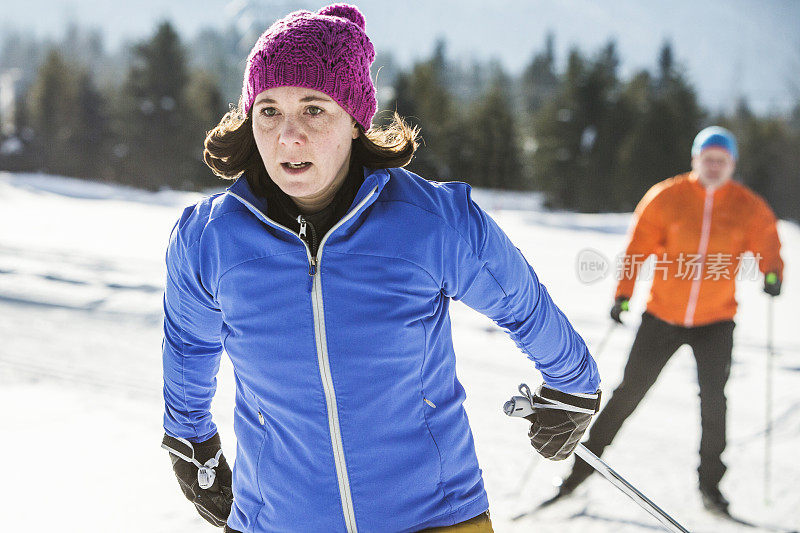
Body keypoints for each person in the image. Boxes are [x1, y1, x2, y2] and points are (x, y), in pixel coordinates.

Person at [159, 4, 601, 532]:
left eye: (314, 108)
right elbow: (190, 343)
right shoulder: (210, 237)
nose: (288, 135)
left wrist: (573, 386)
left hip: (433, 516)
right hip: (278, 519)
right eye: (269, 110)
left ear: (354, 120)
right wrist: (190, 439)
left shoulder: (431, 223)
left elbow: (521, 303)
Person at [557, 126, 784, 514]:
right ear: (695, 160)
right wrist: (623, 295)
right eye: (707, 159)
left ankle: (711, 487)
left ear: (732, 165)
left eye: (722, 161)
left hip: (716, 320)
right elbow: (637, 248)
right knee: (628, 393)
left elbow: (767, 242)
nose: (714, 166)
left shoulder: (747, 205)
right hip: (663, 315)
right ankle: (578, 474)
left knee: (714, 402)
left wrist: (773, 273)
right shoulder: (667, 197)